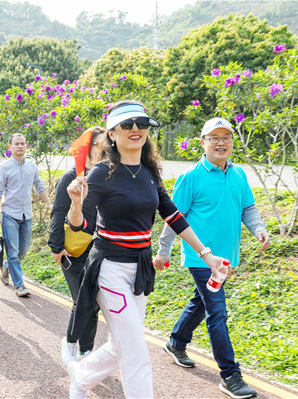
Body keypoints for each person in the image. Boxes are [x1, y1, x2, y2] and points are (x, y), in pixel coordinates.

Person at [64, 101, 227, 399]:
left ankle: (81, 375)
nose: (136, 129)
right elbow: (79, 225)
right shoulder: (101, 173)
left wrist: (207, 254)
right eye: (127, 125)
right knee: (136, 353)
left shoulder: (149, 172)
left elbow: (174, 215)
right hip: (109, 270)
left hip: (140, 270)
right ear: (112, 134)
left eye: (141, 123)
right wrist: (75, 204)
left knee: (122, 345)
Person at [154, 117, 270, 399]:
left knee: (201, 301)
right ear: (203, 142)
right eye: (214, 138)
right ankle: (230, 375)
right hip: (201, 258)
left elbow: (248, 208)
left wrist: (258, 229)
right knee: (217, 311)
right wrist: (163, 249)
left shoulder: (238, 174)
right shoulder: (191, 177)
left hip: (226, 258)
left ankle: (176, 341)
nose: (221, 143)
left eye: (226, 137)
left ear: (231, 142)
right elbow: (173, 217)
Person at [49, 126, 106, 363]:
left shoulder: (108, 176)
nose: (105, 149)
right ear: (87, 148)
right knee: (82, 300)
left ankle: (87, 349)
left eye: (107, 145)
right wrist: (55, 246)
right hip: (73, 250)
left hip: (100, 249)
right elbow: (58, 211)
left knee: (93, 303)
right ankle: (72, 343)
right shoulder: (70, 177)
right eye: (99, 145)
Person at [0, 133, 52, 297]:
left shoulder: (32, 166)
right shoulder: (4, 167)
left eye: (22, 143)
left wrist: (49, 204)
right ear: (10, 147)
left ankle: (6, 266)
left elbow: (39, 186)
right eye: (16, 144)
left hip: (27, 215)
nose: (20, 146)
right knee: (13, 252)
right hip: (9, 214)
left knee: (23, 251)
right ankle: (19, 286)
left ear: (26, 146)